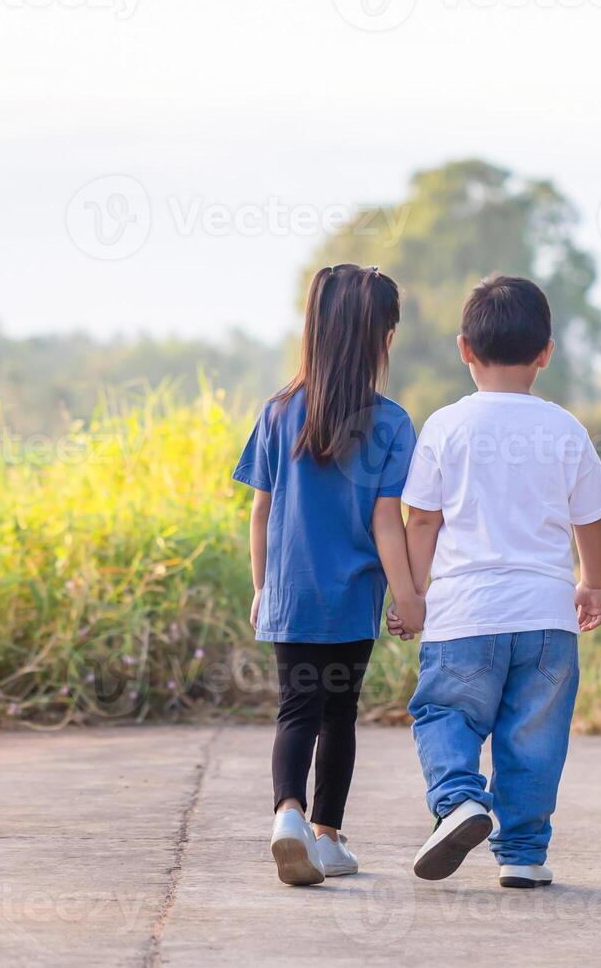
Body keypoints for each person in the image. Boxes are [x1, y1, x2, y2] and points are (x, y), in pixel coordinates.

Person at [390, 274, 601, 889]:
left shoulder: (445, 426)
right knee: (533, 739)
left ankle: (459, 799)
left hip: (464, 612)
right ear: (545, 353)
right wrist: (592, 584)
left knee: (444, 712)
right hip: (546, 617)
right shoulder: (564, 427)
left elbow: (422, 520)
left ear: (464, 348)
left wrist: (413, 592)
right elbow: (589, 518)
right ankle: (522, 855)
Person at [234, 264, 424, 887]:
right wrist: (408, 597)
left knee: (296, 710)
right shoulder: (392, 423)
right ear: (380, 339)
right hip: (350, 601)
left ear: (316, 329)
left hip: (290, 595)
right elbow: (386, 522)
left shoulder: (277, 412)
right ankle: (327, 835)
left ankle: (286, 816)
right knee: (338, 713)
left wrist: (263, 588)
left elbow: (260, 510)